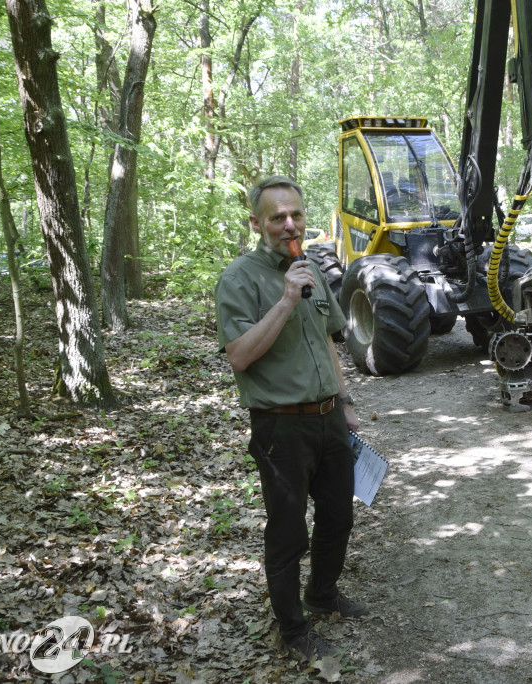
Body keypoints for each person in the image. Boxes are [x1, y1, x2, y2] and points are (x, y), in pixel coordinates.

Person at [215, 175, 366, 661]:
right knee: (287, 532)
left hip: (328, 419)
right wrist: (283, 299)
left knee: (339, 517)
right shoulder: (239, 278)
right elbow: (239, 355)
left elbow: (326, 339)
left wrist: (344, 403)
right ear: (257, 223)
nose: (288, 224)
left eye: (295, 215)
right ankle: (293, 630)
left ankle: (322, 595)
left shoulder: (313, 268)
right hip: (280, 426)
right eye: (277, 217)